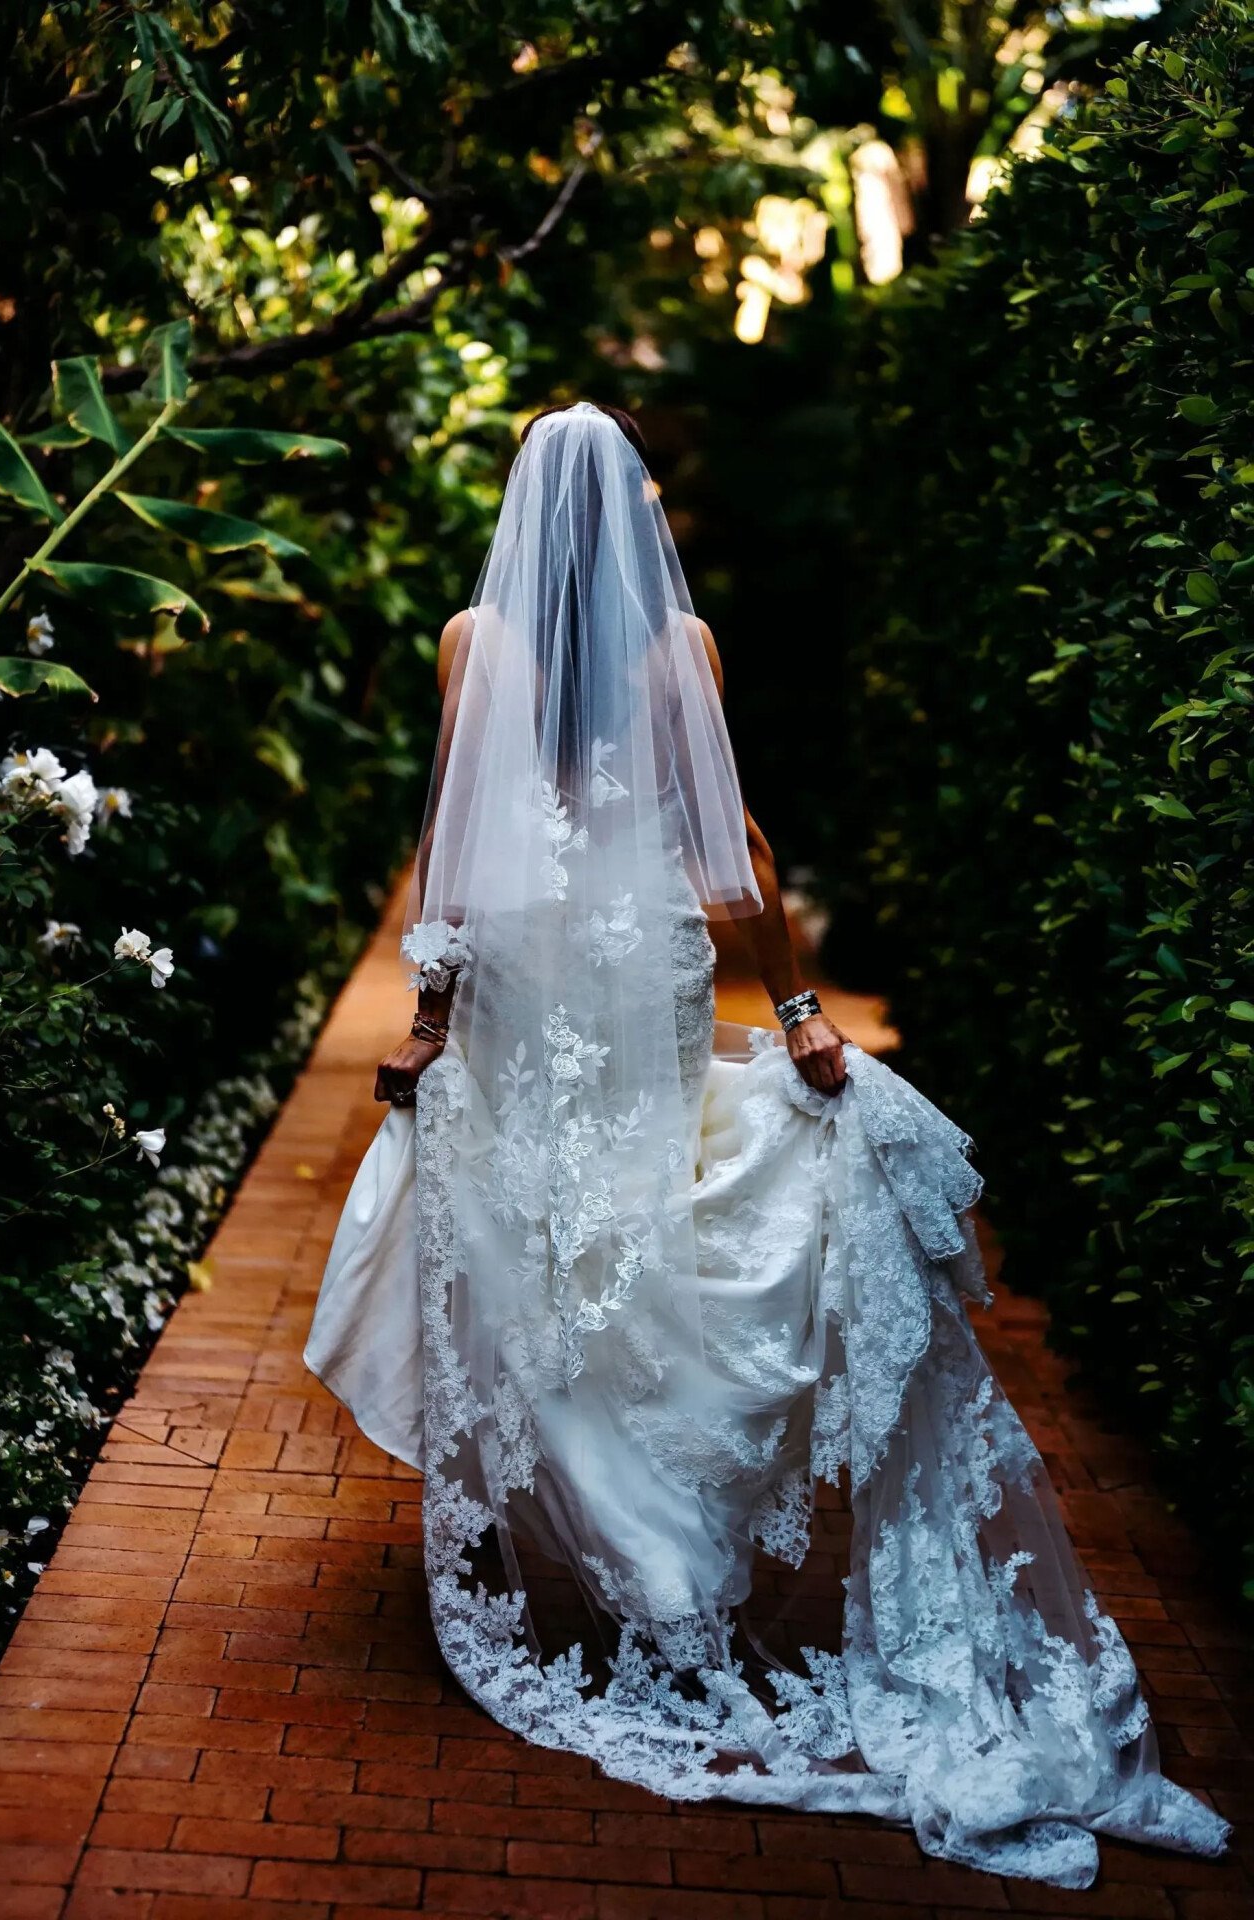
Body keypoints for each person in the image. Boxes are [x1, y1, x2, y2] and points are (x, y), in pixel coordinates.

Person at [306, 401, 1228, 1889]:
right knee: (652, 1225)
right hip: (646, 968)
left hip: (531, 982)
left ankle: (626, 1533)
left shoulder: (474, 640)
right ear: (637, 518)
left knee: (552, 1236)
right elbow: (737, 853)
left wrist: (427, 1019)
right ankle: (663, 1533)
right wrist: (796, 1008)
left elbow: (454, 853)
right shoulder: (685, 650)